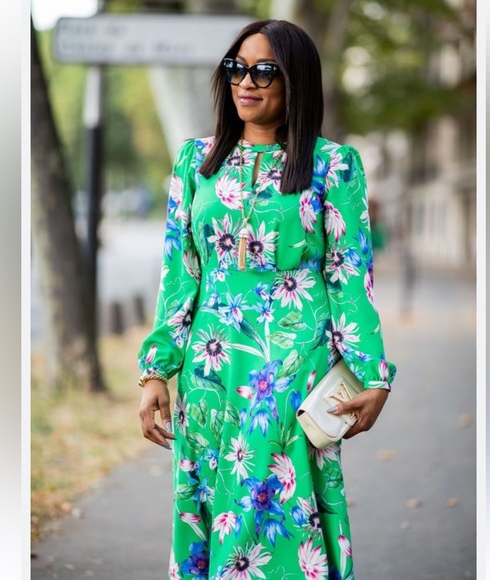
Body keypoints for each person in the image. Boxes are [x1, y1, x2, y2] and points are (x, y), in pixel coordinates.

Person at [137, 19, 396, 580]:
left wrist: (374, 375)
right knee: (214, 506)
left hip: (292, 370)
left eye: (263, 71)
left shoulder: (333, 165)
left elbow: (349, 274)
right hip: (209, 374)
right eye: (237, 68)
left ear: (295, 80)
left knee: (274, 516)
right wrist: (157, 370)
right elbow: (180, 272)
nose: (245, 82)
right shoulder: (195, 161)